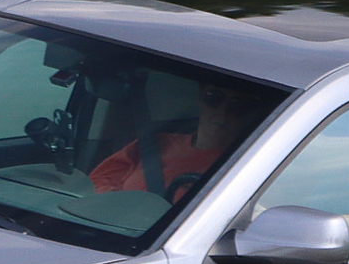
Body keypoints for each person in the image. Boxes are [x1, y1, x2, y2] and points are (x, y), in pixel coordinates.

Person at [86, 80, 257, 198]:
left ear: (251, 112)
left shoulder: (244, 166)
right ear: (200, 97)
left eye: (237, 104)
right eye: (214, 98)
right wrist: (121, 208)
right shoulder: (155, 144)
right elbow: (95, 184)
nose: (223, 111)